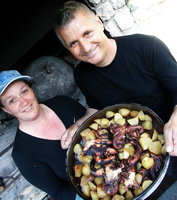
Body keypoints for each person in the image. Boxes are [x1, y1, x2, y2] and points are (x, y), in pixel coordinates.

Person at [54, 1, 177, 176]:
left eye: (87, 33)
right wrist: (78, 126)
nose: (86, 48)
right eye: (73, 43)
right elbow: (96, 107)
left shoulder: (146, 46)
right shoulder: (82, 74)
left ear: (99, 22)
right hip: (142, 153)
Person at [0, 70, 96, 200]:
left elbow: (96, 121)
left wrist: (77, 125)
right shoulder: (22, 154)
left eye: (24, 91)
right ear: (6, 109)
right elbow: (59, 192)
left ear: (31, 89)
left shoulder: (62, 102)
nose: (23, 102)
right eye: (12, 101)